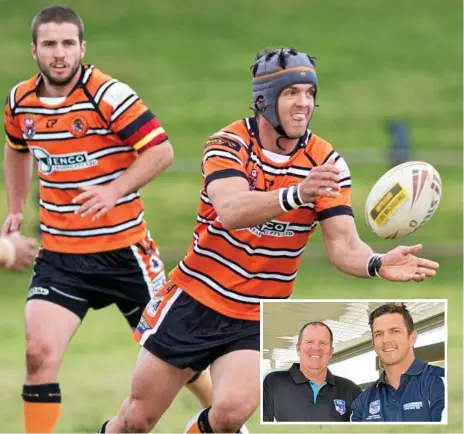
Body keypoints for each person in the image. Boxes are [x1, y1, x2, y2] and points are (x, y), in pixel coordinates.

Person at [99, 47, 440, 433]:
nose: (303, 103)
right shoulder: (228, 145)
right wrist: (297, 194)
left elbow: (344, 247)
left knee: (230, 414)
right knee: (137, 420)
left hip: (257, 311)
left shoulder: (326, 163)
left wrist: (377, 263)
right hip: (196, 301)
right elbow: (231, 210)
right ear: (264, 101)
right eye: (291, 93)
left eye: (310, 94)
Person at [2, 6, 212, 433]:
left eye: (66, 44)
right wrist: (16, 207)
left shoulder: (108, 95)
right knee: (38, 353)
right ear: (34, 50)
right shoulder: (19, 101)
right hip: (61, 257)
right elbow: (17, 147)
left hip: (124, 254)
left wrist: (113, 190)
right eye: (49, 44)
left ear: (81, 47)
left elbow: (161, 152)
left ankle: (226, 423)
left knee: (177, 357)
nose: (58, 54)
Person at [351, 303, 445, 422]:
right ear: (373, 342)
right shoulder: (362, 402)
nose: (386, 340)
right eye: (379, 334)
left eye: (395, 331)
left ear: (412, 338)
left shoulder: (441, 383)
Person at [263, 321, 361, 422]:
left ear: (331, 351)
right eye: (309, 342)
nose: (316, 348)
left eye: (323, 343)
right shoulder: (274, 382)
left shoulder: (350, 390)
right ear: (298, 348)